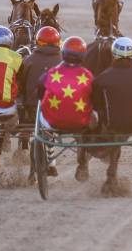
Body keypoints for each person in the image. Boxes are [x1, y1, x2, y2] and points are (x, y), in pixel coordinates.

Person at [38, 35, 97, 181]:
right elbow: (95, 98)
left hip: (53, 122)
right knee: (93, 117)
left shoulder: (51, 73)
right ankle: (83, 160)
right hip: (80, 122)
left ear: (63, 53)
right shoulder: (88, 75)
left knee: (40, 116)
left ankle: (49, 156)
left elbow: (39, 92)